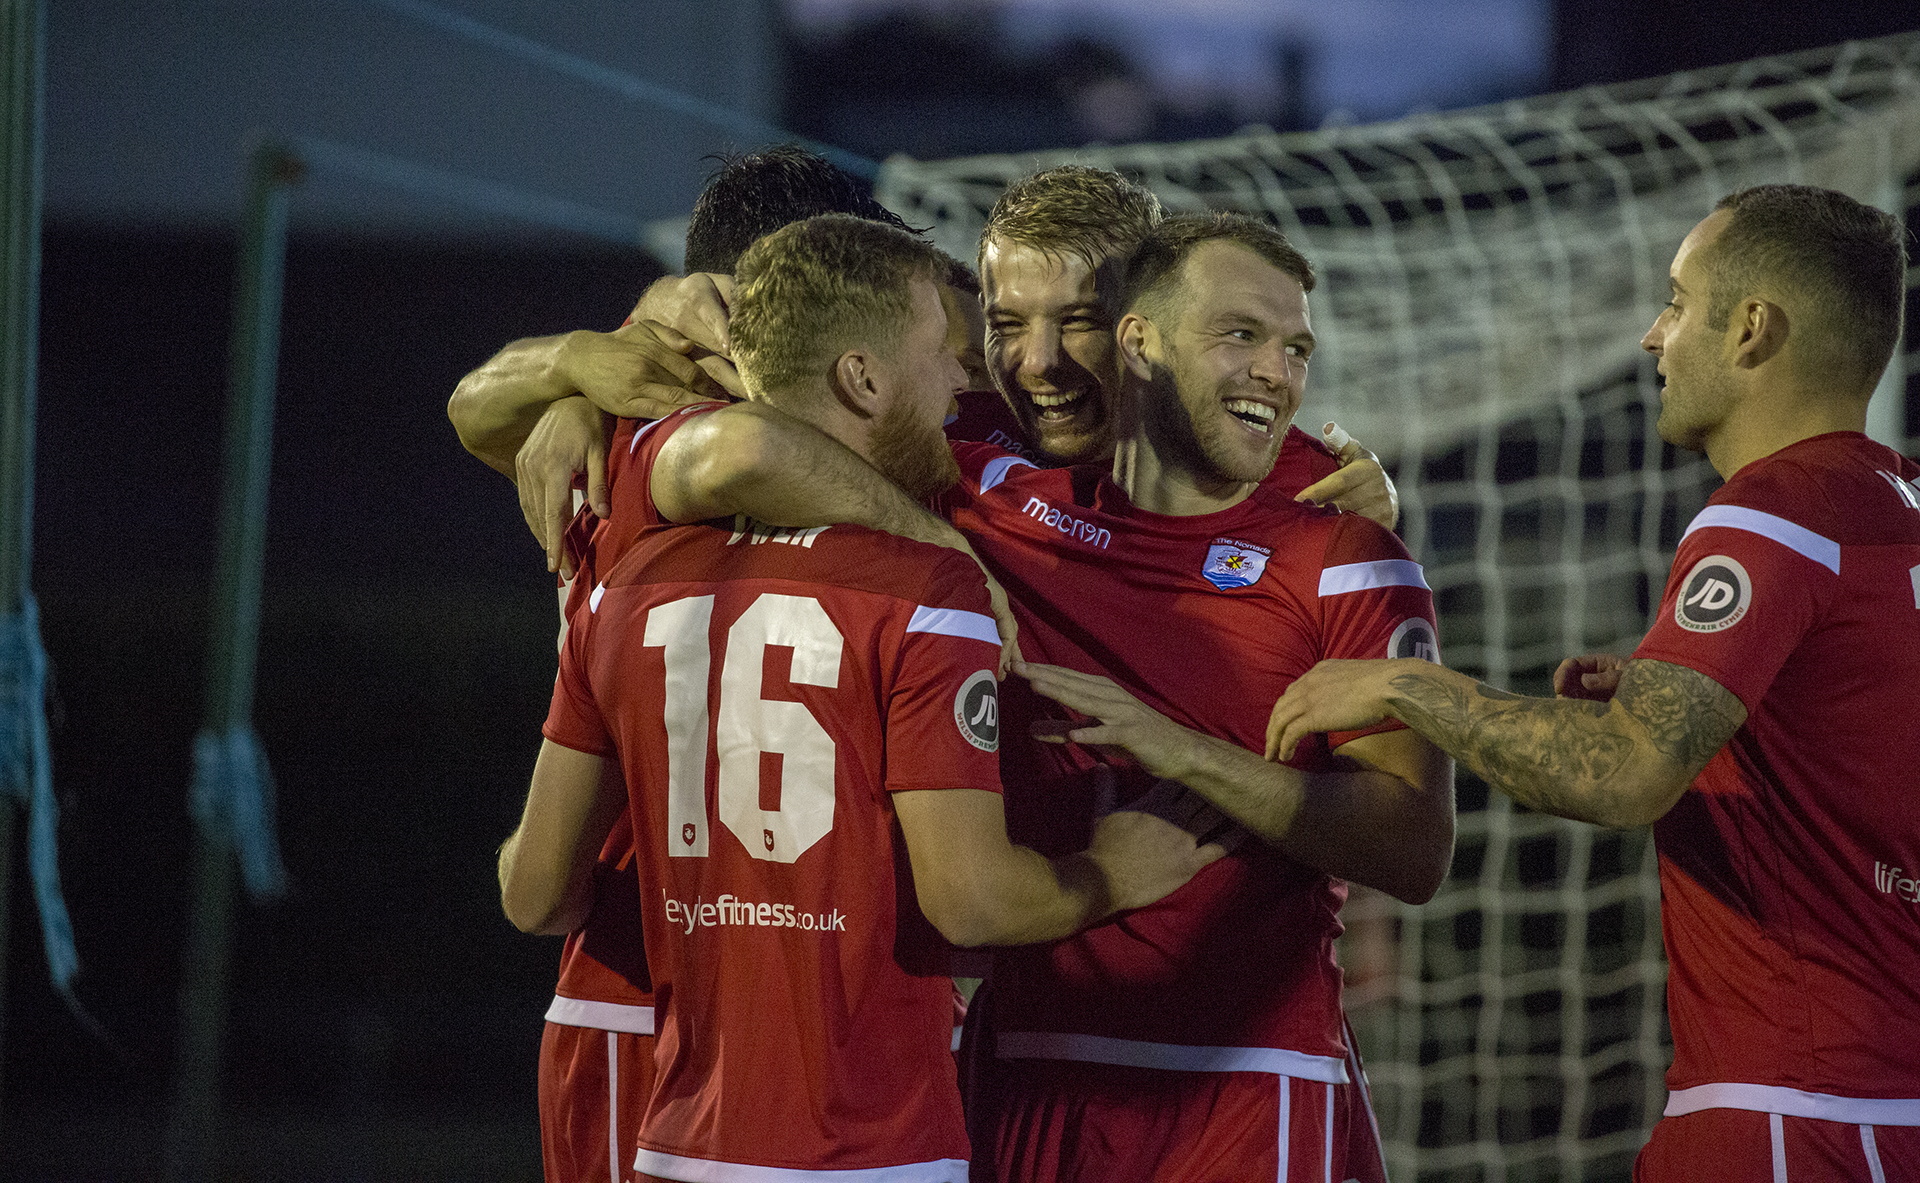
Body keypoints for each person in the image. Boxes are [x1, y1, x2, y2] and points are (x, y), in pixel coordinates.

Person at [644, 211, 1456, 1181]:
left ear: (1129, 330)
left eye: (1290, 347)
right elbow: (751, 437)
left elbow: (1414, 845)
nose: (1038, 362)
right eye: (1003, 323)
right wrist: (575, 368)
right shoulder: (970, 476)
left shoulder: (1339, 540)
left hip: (1242, 1081)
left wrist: (1192, 755)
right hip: (1016, 1073)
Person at [500, 214, 1222, 1182]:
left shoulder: (627, 578)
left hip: (678, 1141)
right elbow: (969, 897)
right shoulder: (927, 589)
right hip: (868, 1148)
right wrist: (1119, 871)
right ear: (863, 378)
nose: (969, 386)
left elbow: (535, 889)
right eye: (944, 355)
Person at [1266, 184, 1919, 1181]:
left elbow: (1620, 774)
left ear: (1751, 330)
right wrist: (1706, 697)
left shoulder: (1768, 514)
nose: (1653, 336)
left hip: (1795, 1112)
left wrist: (1406, 686)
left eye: (1677, 301)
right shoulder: (1895, 504)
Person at [481, 147, 928, 1183]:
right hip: (719, 996)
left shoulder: (624, 449)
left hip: (703, 998)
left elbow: (471, 404)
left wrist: (575, 374)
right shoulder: (697, 460)